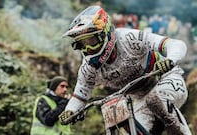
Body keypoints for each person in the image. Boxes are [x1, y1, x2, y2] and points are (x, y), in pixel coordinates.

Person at [58, 5, 192, 135]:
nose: (88, 49)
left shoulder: (129, 38)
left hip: (166, 78)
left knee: (155, 99)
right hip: (140, 98)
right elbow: (80, 94)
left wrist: (171, 59)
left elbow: (175, 44)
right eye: (82, 44)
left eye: (91, 41)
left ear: (105, 33)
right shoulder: (88, 67)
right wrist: (70, 110)